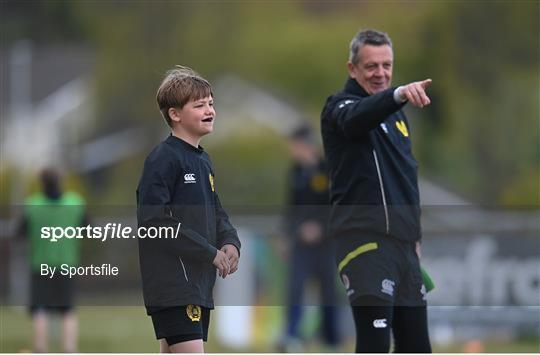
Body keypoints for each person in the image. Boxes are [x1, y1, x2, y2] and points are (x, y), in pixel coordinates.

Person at [320, 29, 432, 353]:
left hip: (403, 248)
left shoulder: (397, 117)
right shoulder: (339, 107)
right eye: (371, 66)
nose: (381, 73)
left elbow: (407, 176)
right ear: (352, 68)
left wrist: (415, 236)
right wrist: (397, 94)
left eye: (387, 65)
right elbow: (358, 118)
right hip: (364, 242)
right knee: (375, 343)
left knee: (417, 347)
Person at [137, 66, 241, 353]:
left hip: (197, 284)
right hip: (174, 285)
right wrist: (210, 253)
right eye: (199, 105)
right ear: (175, 114)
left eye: (211, 103)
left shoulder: (203, 161)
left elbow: (216, 211)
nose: (210, 110)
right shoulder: (163, 160)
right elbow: (154, 222)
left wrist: (230, 242)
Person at [279, 124, 338, 351]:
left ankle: (331, 339)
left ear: (306, 144)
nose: (292, 150)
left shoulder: (327, 169)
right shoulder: (295, 172)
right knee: (295, 286)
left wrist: (321, 228)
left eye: (294, 145)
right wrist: (287, 234)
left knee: (328, 290)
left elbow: (336, 206)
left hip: (326, 242)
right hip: (300, 242)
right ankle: (292, 335)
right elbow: (291, 207)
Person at [18, 167, 86, 353]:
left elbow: (20, 233)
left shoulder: (33, 205)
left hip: (40, 264)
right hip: (67, 263)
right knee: (68, 310)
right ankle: (70, 349)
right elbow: (88, 228)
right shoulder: (75, 203)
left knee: (40, 309)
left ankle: (41, 349)